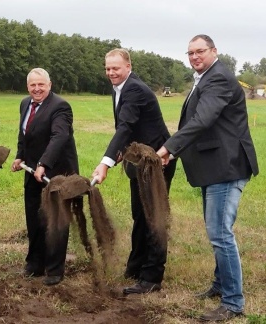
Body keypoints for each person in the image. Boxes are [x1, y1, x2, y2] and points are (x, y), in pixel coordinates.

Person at [157, 34, 258, 321]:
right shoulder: (205, 78)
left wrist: (169, 148)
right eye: (190, 53)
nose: (194, 57)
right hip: (215, 166)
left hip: (227, 166)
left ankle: (233, 302)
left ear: (214, 51)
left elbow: (203, 119)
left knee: (220, 233)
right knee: (217, 230)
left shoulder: (218, 79)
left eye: (200, 51)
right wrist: (175, 152)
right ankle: (220, 285)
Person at [91, 48, 176, 294]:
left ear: (128, 66)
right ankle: (136, 265)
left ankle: (151, 277)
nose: (111, 73)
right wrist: (119, 156)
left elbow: (125, 127)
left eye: (116, 68)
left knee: (154, 217)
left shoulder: (135, 89)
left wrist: (105, 162)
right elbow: (130, 129)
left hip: (156, 163)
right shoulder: (119, 88)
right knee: (139, 215)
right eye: (108, 68)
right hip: (139, 163)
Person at [11, 68, 79, 286]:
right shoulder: (25, 104)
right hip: (32, 173)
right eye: (32, 85)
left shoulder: (60, 107)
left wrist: (44, 164)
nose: (37, 89)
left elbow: (59, 136)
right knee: (34, 219)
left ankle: (55, 269)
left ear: (49, 85)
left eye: (41, 84)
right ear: (27, 86)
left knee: (56, 221)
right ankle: (35, 263)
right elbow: (24, 134)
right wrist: (20, 157)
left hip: (56, 173)